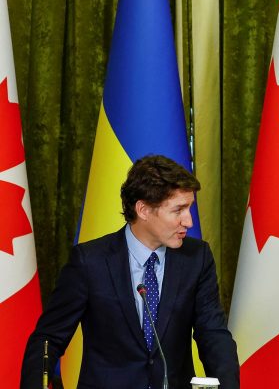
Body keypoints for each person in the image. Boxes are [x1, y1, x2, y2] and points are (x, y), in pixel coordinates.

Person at [21, 155, 239, 389]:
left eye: (189, 208)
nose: (188, 221)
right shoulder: (89, 262)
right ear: (143, 210)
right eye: (178, 210)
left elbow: (213, 336)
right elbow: (48, 339)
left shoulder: (197, 258)